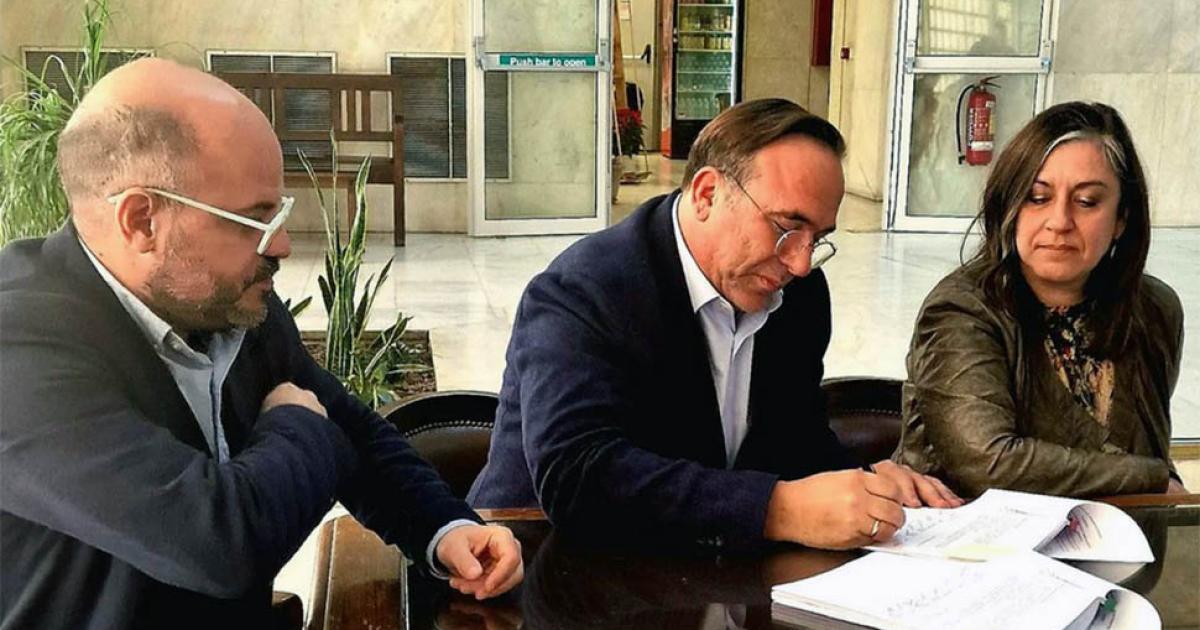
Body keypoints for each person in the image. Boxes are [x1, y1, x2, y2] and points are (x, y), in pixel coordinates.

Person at [0, 59, 521, 629]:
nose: (282, 246)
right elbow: (219, 543)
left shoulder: (224, 302)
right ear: (142, 220)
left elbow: (346, 426)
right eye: (254, 221)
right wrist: (294, 425)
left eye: (280, 215)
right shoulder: (19, 352)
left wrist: (445, 529)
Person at [468, 99, 961, 553]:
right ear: (707, 194)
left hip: (700, 568)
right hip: (534, 560)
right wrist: (779, 509)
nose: (800, 262)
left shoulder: (800, 294)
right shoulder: (586, 290)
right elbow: (578, 477)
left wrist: (865, 484)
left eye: (817, 238)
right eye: (787, 228)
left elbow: (793, 438)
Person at [894, 101, 1188, 498]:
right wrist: (1151, 478)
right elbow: (988, 463)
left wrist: (1161, 484)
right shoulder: (962, 309)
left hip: (1113, 532)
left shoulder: (1154, 309)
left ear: (1122, 217)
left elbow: (1150, 444)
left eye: (1087, 202)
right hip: (969, 530)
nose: (1059, 222)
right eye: (1037, 197)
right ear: (1010, 207)